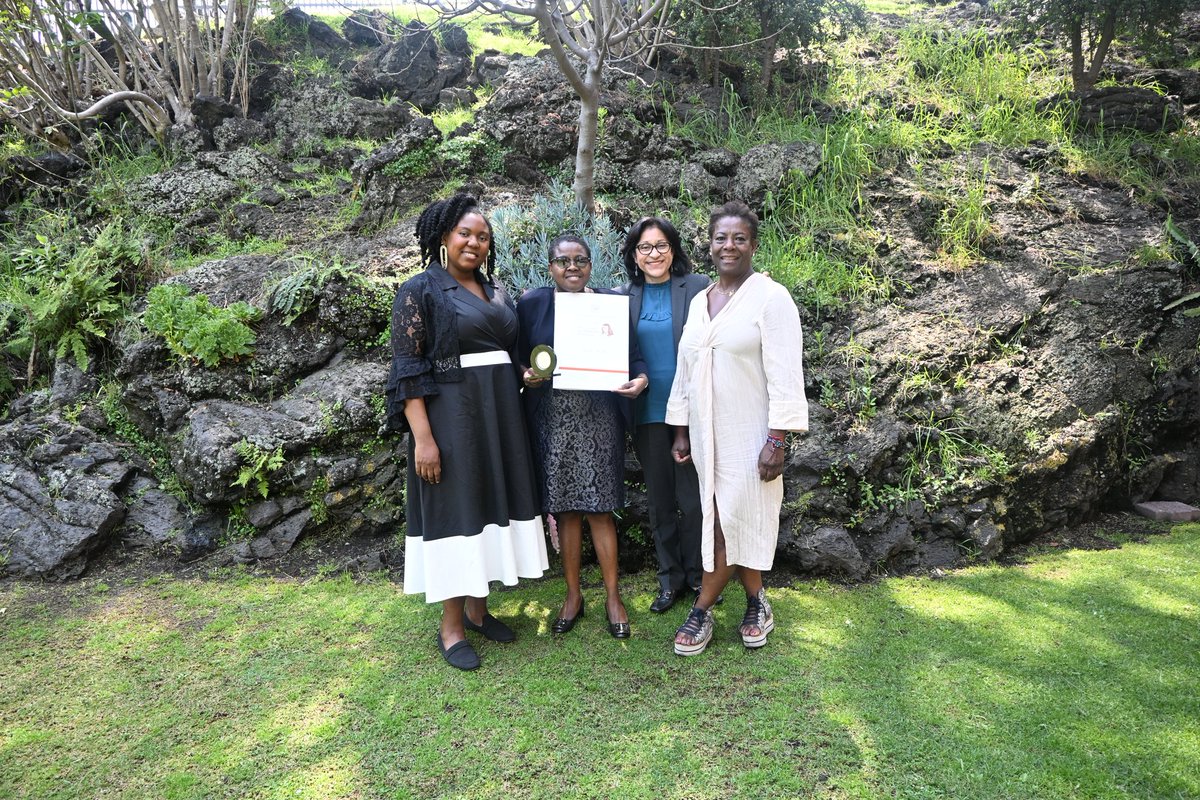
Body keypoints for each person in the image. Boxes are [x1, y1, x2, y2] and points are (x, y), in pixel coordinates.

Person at [386, 194, 548, 671]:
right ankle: (451, 625)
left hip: (500, 417)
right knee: (457, 511)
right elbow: (407, 369)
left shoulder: (495, 290)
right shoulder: (422, 290)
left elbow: (507, 353)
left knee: (490, 505)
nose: (474, 243)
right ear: (444, 238)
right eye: (465, 234)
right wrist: (424, 438)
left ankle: (479, 611)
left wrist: (525, 373)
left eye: (482, 236)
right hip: (452, 419)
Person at [666, 201, 808, 656]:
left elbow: (786, 373)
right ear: (708, 244)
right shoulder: (699, 301)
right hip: (708, 438)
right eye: (720, 238)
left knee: (732, 522)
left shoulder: (771, 298)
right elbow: (685, 371)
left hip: (752, 435)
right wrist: (681, 431)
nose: (729, 246)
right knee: (726, 517)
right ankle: (756, 600)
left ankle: (702, 608)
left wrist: (777, 439)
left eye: (739, 238)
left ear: (753, 244)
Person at [517, 235, 648, 639]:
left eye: (580, 260)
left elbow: (634, 356)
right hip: (553, 418)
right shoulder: (533, 304)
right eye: (562, 261)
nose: (572, 267)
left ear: (591, 265)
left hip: (599, 417)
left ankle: (613, 597)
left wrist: (640, 379)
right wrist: (525, 374)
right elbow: (519, 354)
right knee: (566, 509)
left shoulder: (609, 303)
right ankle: (573, 596)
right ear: (550, 266)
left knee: (601, 508)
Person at [618, 217, 710, 614]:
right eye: (644, 247)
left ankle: (699, 577)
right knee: (659, 501)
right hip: (647, 412)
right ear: (634, 256)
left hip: (693, 410)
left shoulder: (699, 288)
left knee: (693, 501)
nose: (653, 254)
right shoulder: (622, 297)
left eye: (660, 246)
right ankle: (669, 579)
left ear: (673, 249)